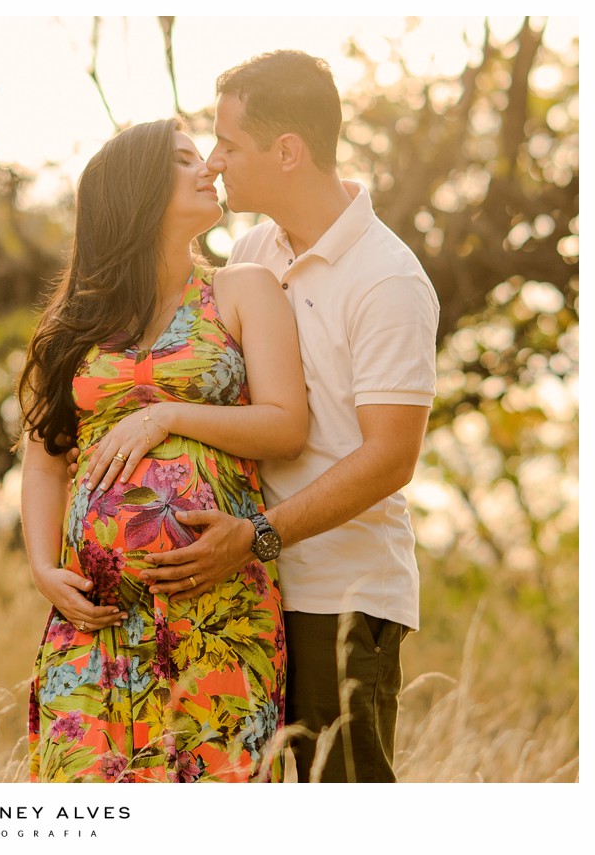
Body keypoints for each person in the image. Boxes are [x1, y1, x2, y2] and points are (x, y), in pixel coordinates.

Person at [139, 51, 441, 783]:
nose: (215, 161)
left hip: (338, 596)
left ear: (287, 152)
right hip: (245, 588)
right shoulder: (252, 251)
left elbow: (390, 458)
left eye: (229, 144)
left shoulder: (389, 281)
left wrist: (260, 536)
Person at [17, 117, 307, 782]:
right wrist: (41, 567)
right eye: (184, 159)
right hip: (96, 620)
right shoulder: (74, 323)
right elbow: (44, 458)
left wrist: (168, 415)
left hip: (218, 610)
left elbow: (288, 424)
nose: (208, 166)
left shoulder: (243, 289)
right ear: (136, 189)